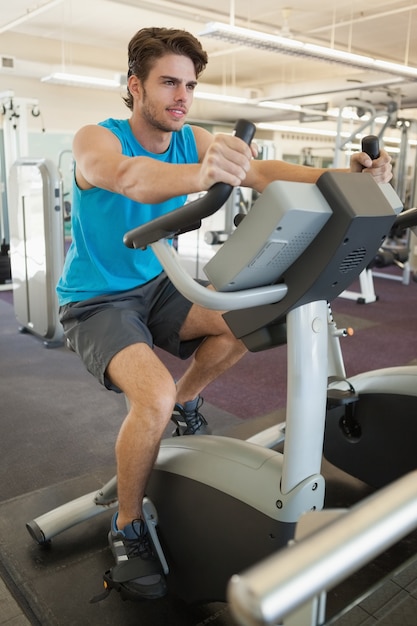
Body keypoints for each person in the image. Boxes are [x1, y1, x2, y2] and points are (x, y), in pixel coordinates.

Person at [56, 26, 392, 600]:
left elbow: (263, 172)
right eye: (167, 82)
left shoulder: (193, 137)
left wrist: (343, 181)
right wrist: (204, 176)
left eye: (189, 84)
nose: (181, 95)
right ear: (135, 86)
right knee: (151, 397)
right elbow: (128, 178)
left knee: (247, 315)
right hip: (95, 299)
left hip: (155, 281)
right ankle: (128, 523)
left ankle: (186, 403)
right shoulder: (98, 138)